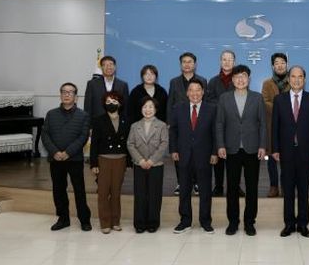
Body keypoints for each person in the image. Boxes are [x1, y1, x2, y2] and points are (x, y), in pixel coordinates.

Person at [216, 64, 266, 236]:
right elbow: (219, 123)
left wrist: (262, 145)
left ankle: (249, 222)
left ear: (249, 79)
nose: (240, 80)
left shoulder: (257, 98)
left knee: (252, 188)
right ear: (232, 79)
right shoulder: (224, 98)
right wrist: (220, 145)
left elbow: (262, 124)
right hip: (231, 148)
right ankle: (233, 222)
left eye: (243, 76)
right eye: (237, 77)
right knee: (232, 188)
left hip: (252, 148)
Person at [272, 66, 309, 238]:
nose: (296, 80)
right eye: (293, 76)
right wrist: (275, 148)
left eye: (300, 76)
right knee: (287, 190)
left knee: (303, 189)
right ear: (288, 79)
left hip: (305, 151)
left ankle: (303, 224)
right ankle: (288, 224)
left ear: (304, 79)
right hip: (285, 151)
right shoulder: (279, 100)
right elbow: (275, 126)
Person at [169, 79, 218, 234]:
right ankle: (185, 221)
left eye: (198, 90)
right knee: (184, 190)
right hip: (183, 155)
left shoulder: (212, 109)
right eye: (191, 90)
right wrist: (173, 150)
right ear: (187, 93)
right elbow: (173, 130)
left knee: (205, 190)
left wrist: (214, 152)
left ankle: (205, 221)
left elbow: (216, 132)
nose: (195, 93)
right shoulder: (178, 108)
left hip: (205, 155)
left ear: (203, 92)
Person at [42, 82, 92, 231]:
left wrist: (68, 152)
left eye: (70, 92)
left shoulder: (83, 115)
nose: (67, 94)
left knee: (79, 190)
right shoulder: (51, 114)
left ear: (76, 97)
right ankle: (63, 219)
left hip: (74, 159)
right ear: (60, 95)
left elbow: (83, 137)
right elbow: (45, 135)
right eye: (64, 92)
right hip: (55, 159)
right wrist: (55, 152)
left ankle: (84, 220)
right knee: (58, 190)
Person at [167, 52, 207, 196]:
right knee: (180, 153)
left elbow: (205, 102)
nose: (187, 64)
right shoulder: (174, 82)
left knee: (197, 154)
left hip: (197, 122)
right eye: (184, 62)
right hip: (180, 123)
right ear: (181, 64)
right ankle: (181, 182)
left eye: (190, 62)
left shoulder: (202, 80)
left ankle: (196, 182)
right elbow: (170, 102)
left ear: (195, 64)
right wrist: (169, 122)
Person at [90, 91, 130, 234]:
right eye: (108, 102)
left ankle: (116, 221)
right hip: (104, 160)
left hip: (120, 159)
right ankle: (105, 222)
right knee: (103, 193)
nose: (111, 104)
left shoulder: (126, 120)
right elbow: (94, 144)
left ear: (120, 103)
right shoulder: (98, 120)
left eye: (114, 101)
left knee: (116, 192)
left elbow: (128, 142)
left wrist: (129, 162)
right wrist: (94, 164)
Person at [127, 96, 168, 233]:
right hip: (139, 165)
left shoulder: (162, 125)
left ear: (155, 109)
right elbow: (130, 144)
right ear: (141, 109)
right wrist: (140, 160)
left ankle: (153, 222)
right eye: (145, 107)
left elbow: (164, 144)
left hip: (156, 164)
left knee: (154, 194)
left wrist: (151, 160)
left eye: (151, 107)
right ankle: (139, 223)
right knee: (140, 194)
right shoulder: (134, 126)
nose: (148, 110)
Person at [206, 50, 238, 197]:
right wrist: (224, 105)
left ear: (234, 62)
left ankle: (235, 187)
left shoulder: (239, 80)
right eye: (224, 59)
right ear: (220, 62)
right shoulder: (213, 81)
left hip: (235, 125)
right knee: (218, 157)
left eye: (230, 59)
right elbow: (208, 101)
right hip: (217, 123)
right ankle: (218, 186)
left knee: (234, 159)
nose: (227, 62)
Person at [261, 52, 290, 197]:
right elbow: (265, 101)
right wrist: (280, 108)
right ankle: (273, 186)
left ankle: (286, 185)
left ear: (286, 65)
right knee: (272, 158)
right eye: (277, 63)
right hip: (271, 125)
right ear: (273, 66)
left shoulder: (293, 81)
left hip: (289, 126)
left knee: (287, 158)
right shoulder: (267, 83)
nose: (280, 65)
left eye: (282, 62)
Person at [84, 55, 130, 119]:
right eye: (105, 65)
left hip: (116, 122)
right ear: (101, 68)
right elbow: (88, 107)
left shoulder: (123, 85)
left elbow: (125, 107)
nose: (108, 67)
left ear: (115, 67)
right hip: (97, 122)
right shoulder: (92, 84)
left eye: (111, 64)